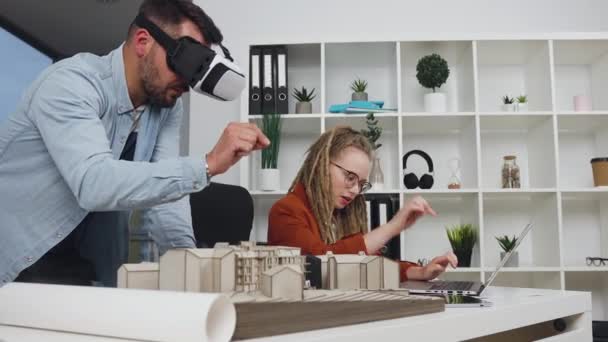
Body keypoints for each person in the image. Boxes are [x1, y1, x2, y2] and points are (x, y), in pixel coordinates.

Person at [0, 0, 269, 287]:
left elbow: (167, 204)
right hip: (18, 265)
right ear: (143, 42)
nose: (187, 82)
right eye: (185, 62)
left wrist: (193, 271)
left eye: (195, 72)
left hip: (86, 271)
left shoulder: (166, 107)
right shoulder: (72, 83)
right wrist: (207, 164)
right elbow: (94, 183)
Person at [268, 126, 457, 282]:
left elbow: (367, 263)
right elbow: (320, 263)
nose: (356, 190)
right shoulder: (285, 211)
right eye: (350, 177)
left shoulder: (337, 214)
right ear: (321, 165)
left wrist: (420, 272)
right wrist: (393, 226)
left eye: (361, 184)